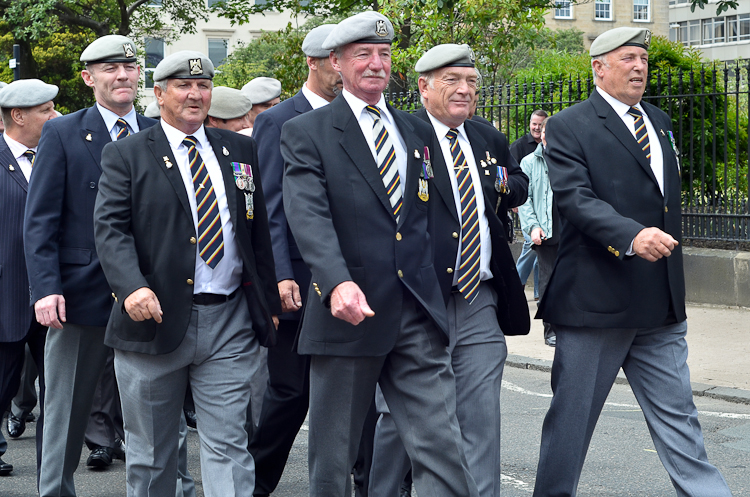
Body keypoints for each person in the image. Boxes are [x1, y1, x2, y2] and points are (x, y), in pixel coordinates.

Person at [281, 12, 479, 497]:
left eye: (384, 55)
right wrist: (335, 281)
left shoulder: (416, 131)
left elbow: (430, 216)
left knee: (443, 452)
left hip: (415, 311)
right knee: (332, 462)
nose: (376, 64)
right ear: (337, 62)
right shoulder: (309, 131)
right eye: (362, 55)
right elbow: (308, 217)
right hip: (349, 313)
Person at [532, 27, 732, 496]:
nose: (639, 66)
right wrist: (630, 235)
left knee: (680, 422)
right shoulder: (569, 124)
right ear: (598, 67)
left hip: (659, 305)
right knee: (570, 425)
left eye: (642, 58)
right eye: (627, 58)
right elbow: (575, 199)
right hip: (596, 305)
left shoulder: (659, 120)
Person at [93, 50, 281, 497]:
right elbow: (110, 229)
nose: (196, 94)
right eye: (183, 86)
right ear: (158, 94)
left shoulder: (240, 148)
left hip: (230, 320)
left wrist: (268, 302)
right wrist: (132, 287)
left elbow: (257, 229)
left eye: (203, 85)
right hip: (154, 321)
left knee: (230, 446)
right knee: (153, 454)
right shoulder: (127, 154)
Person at [368, 44, 530, 497]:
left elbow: (514, 180)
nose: (464, 90)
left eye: (472, 82)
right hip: (421, 301)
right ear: (423, 87)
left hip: (480, 295)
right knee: (402, 419)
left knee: (480, 419)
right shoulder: (401, 136)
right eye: (452, 81)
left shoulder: (487, 137)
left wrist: (499, 181)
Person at [24, 35, 156, 495]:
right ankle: (54, 490)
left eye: (129, 67)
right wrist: (45, 288)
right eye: (109, 68)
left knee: (159, 414)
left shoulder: (159, 130)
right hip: (79, 295)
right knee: (64, 412)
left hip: (150, 292)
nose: (122, 76)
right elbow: (39, 220)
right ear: (88, 77)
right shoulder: (63, 132)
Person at [248, 23, 342, 497]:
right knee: (290, 392)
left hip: (357, 278)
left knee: (355, 396)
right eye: (332, 59)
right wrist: (281, 274)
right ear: (313, 62)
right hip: (301, 279)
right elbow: (269, 205)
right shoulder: (279, 119)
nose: (341, 67)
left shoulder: (364, 115)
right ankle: (256, 483)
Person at [0, 79, 58, 477]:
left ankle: (53, 474)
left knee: (59, 397)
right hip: (6, 300)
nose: (55, 117)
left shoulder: (57, 156)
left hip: (54, 300)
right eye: (46, 111)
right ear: (18, 116)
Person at [518, 117, 558, 347]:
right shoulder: (529, 162)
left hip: (569, 231)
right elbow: (525, 200)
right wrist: (533, 227)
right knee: (548, 282)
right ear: (541, 135)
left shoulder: (568, 159)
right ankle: (550, 330)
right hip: (546, 231)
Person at [510, 109, 545, 303]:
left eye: (541, 124)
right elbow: (509, 174)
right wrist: (516, 199)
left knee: (541, 247)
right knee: (532, 245)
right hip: (526, 204)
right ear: (530, 123)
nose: (537, 128)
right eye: (534, 124)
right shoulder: (520, 146)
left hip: (543, 205)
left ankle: (540, 291)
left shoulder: (550, 146)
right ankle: (515, 286)